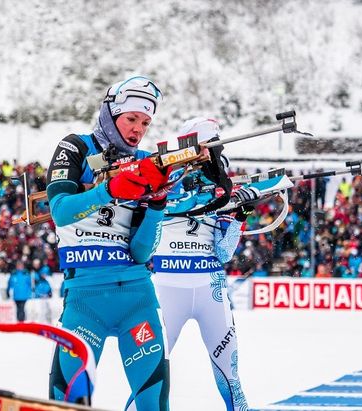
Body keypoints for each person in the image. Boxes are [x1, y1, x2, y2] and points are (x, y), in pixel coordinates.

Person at [46, 76, 170, 409]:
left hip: (137, 297)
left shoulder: (146, 161)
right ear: (110, 113)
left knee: (153, 404)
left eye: (145, 122)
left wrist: (157, 206)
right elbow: (60, 211)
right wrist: (110, 191)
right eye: (131, 118)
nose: (138, 129)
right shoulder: (76, 147)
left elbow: (141, 251)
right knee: (66, 403)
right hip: (85, 301)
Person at [151, 117, 254, 411]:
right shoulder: (166, 174)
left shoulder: (220, 183)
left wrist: (239, 217)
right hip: (167, 286)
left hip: (211, 288)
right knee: (151, 374)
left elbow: (222, 253)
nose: (212, 156)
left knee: (231, 379)